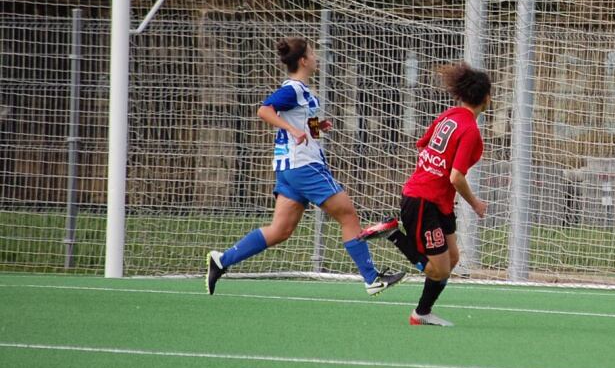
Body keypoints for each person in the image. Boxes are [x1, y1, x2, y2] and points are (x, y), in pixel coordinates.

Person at [205, 36, 405, 297]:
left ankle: (222, 261)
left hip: (291, 170)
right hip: (304, 167)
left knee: (280, 230)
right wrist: (291, 129)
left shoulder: (305, 91)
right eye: (313, 52)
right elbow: (264, 110)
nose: (316, 56)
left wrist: (316, 128)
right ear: (303, 60)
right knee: (347, 215)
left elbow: (300, 123)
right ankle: (371, 278)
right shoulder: (293, 89)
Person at [361, 62, 491, 326]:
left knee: (452, 259)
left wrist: (433, 172)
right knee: (437, 268)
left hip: (438, 202)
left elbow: (422, 146)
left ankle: (421, 313)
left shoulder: (448, 116)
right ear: (486, 98)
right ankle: (394, 234)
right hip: (424, 202)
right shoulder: (470, 130)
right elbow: (456, 177)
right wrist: (475, 203)